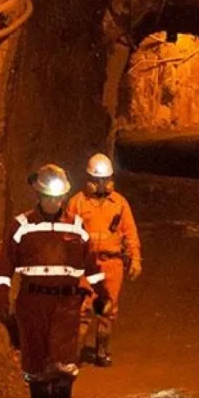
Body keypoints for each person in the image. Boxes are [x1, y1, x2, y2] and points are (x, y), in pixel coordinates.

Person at [0, 163, 113, 398]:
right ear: (39, 194)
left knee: (64, 363)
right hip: (32, 303)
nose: (54, 202)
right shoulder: (21, 226)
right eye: (49, 197)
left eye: (59, 197)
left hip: (66, 303)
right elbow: (3, 269)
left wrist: (102, 296)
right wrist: (1, 301)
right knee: (36, 363)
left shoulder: (75, 226)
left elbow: (92, 265)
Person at [64, 153, 142, 367]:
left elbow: (130, 233)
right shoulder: (77, 203)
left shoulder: (119, 204)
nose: (100, 184)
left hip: (112, 264)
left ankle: (102, 352)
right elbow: (68, 235)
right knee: (82, 310)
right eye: (97, 179)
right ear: (89, 178)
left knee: (107, 310)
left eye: (104, 179)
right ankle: (75, 353)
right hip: (86, 265)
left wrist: (135, 259)